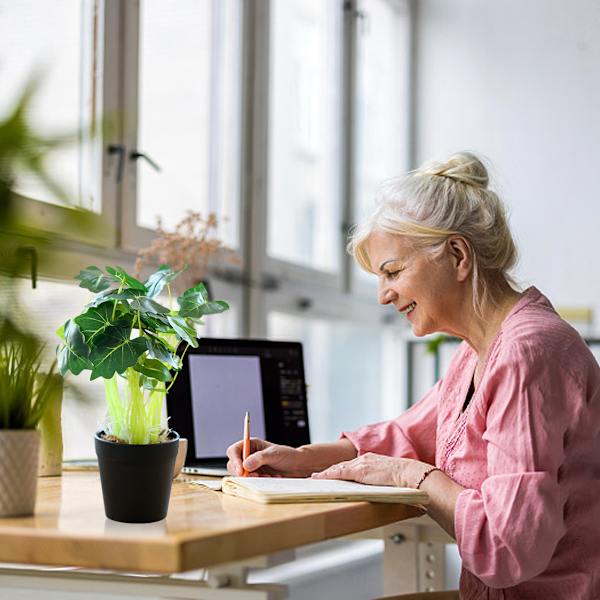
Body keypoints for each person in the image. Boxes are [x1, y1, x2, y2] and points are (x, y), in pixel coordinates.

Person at [227, 152, 600, 599]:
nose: (384, 296)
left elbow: (507, 547)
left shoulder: (527, 352)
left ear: (458, 255)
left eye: (393, 272)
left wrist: (412, 477)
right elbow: (409, 436)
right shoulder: (478, 351)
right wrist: (297, 458)